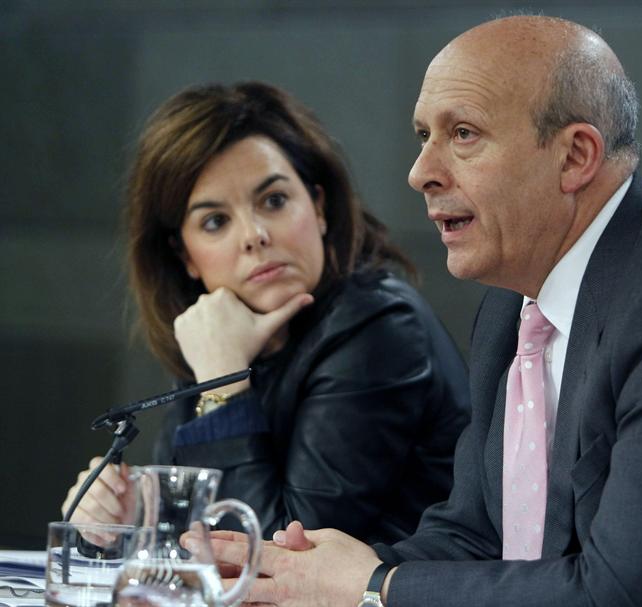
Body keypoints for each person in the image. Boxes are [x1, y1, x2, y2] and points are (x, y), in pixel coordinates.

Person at [192, 15, 642, 607]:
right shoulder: (514, 302)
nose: (420, 173)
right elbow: (476, 536)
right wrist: (303, 579)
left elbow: (617, 593)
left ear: (575, 157)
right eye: (423, 136)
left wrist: (373, 588)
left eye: (463, 134)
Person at [61, 81, 470, 544]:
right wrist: (128, 518)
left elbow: (280, 552)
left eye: (274, 201)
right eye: (215, 221)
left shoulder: (379, 326)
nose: (254, 235)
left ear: (318, 207)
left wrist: (222, 384)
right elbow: (193, 535)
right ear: (186, 256)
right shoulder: (224, 330)